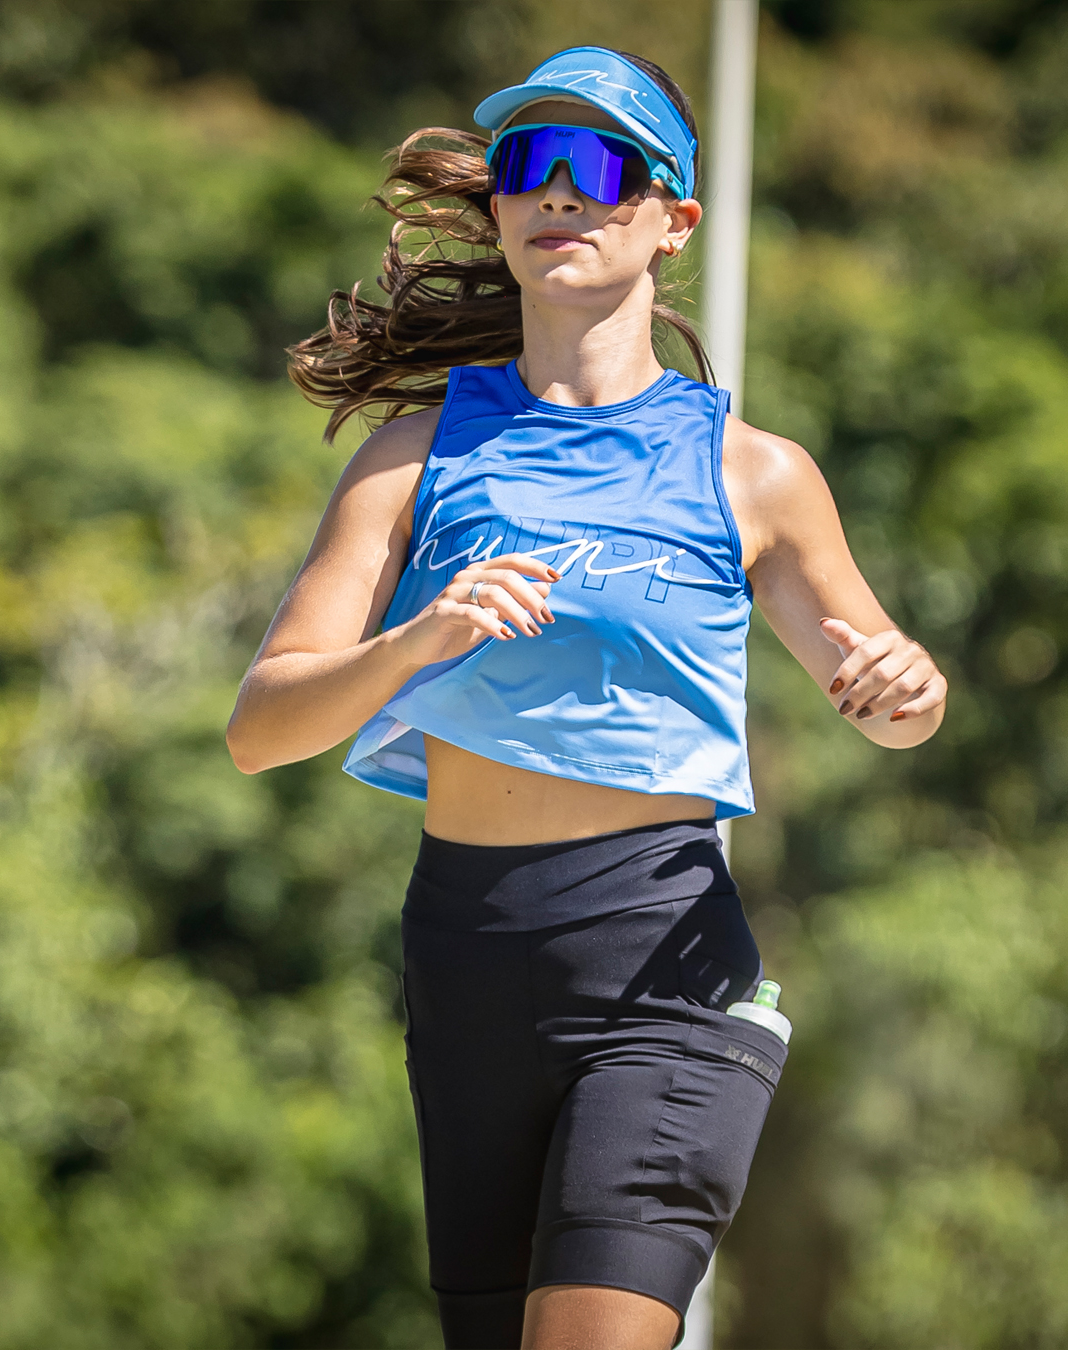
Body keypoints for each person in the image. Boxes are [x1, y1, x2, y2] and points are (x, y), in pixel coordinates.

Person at [226, 46, 947, 1350]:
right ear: (498, 209)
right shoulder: (417, 453)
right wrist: (413, 643)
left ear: (673, 220)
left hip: (662, 961)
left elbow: (888, 693)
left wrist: (904, 688)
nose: (558, 191)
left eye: (600, 165)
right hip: (464, 959)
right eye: (527, 167)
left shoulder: (755, 472)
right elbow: (259, 725)